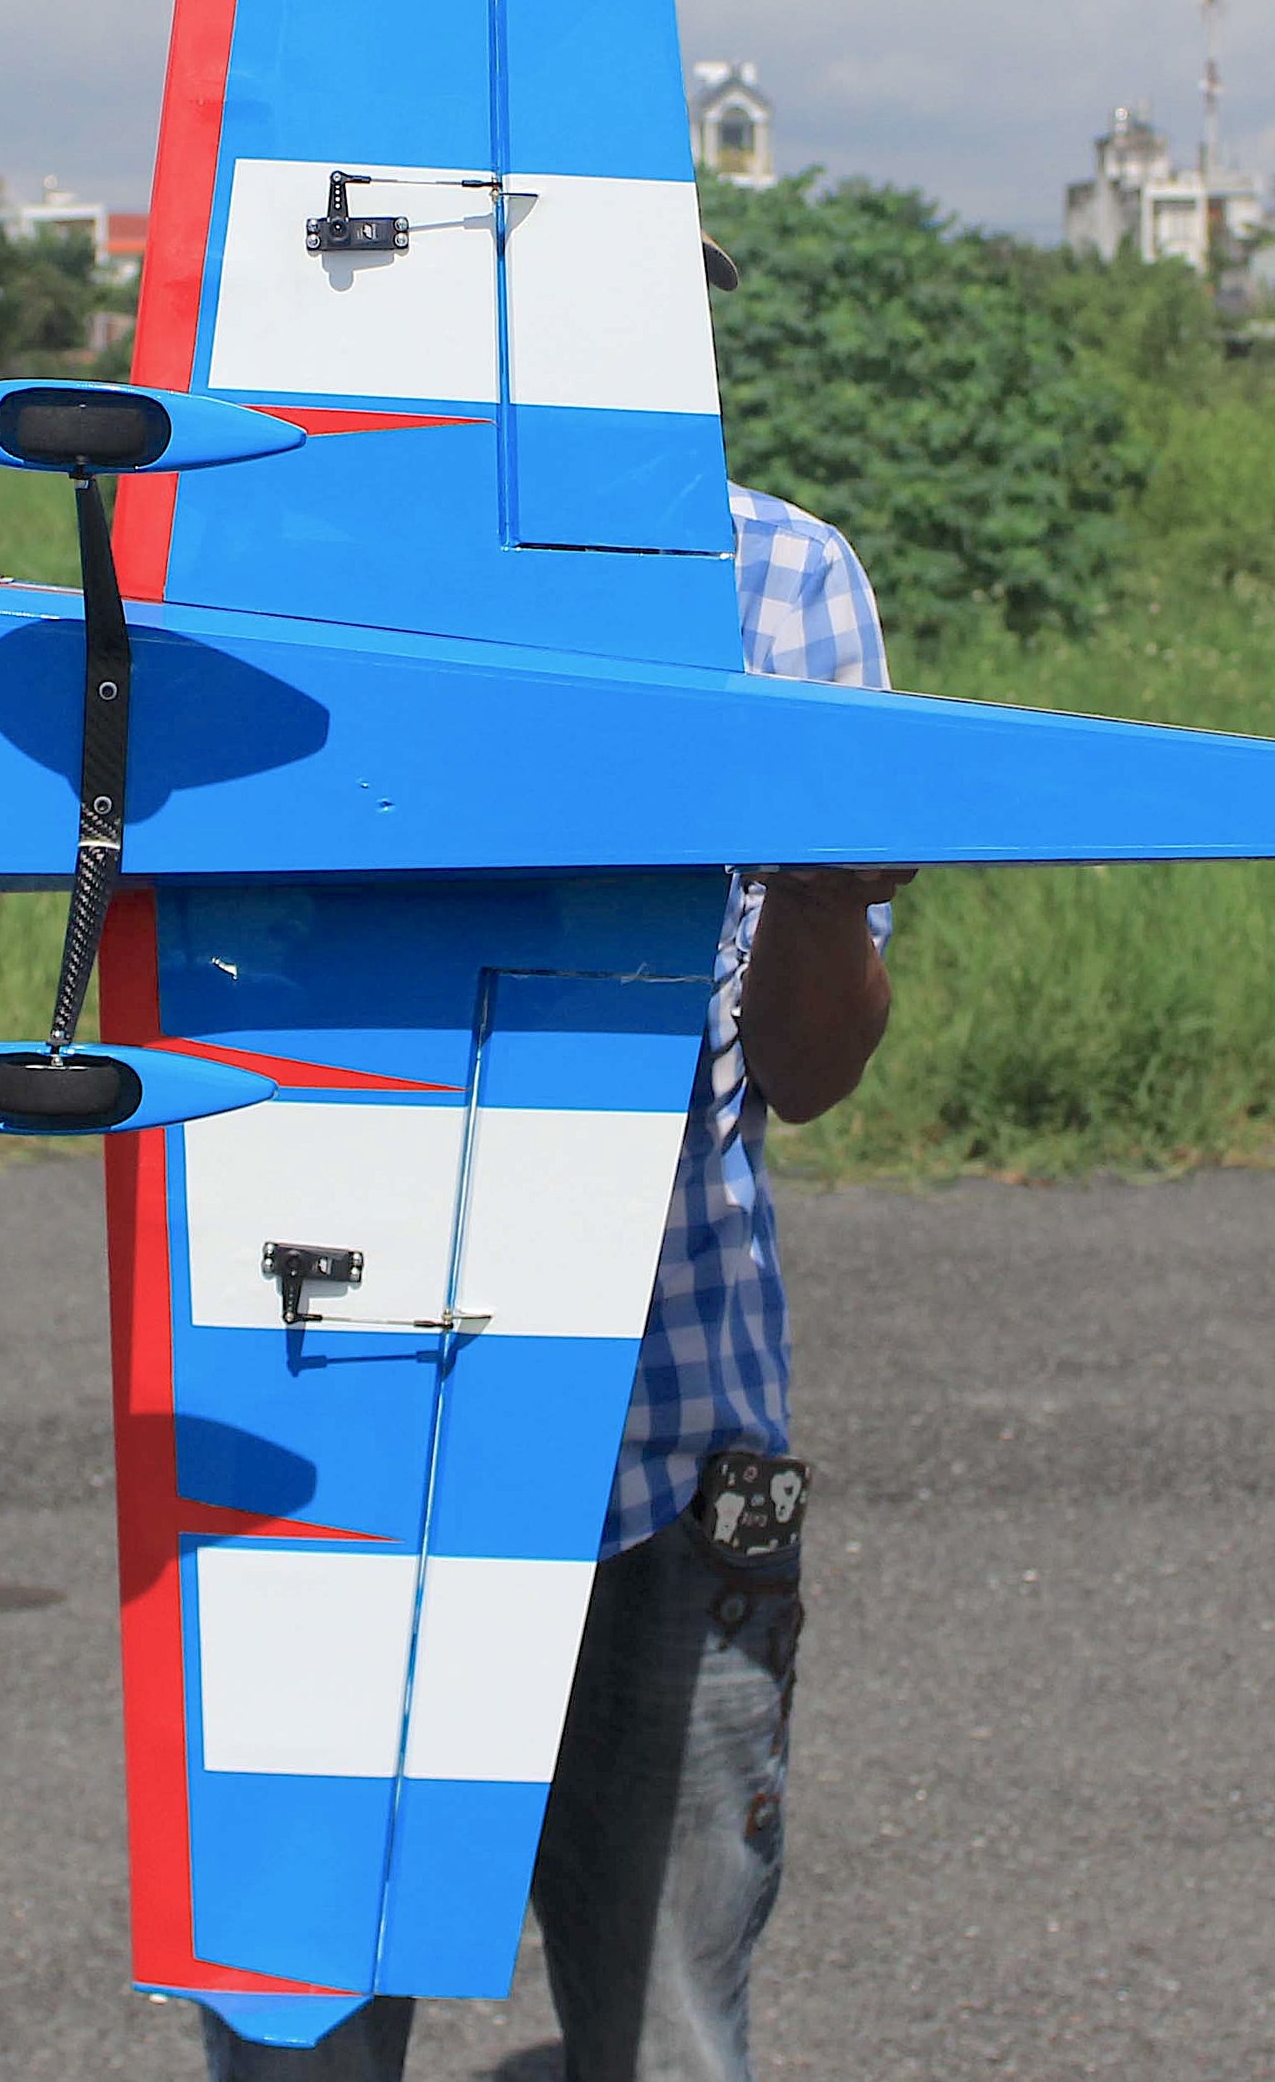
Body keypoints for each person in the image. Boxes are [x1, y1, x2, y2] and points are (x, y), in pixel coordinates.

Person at [202, 481, 908, 2082]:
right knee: (299, 2042)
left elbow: (807, 1069)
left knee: (670, 2044)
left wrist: (820, 884)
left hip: (670, 1454)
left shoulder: (784, 573)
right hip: (334, 1443)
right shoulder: (274, 545)